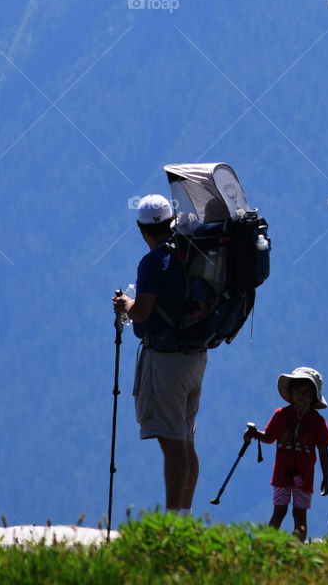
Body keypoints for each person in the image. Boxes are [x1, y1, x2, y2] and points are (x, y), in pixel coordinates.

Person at [113, 193, 207, 516]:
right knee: (186, 439)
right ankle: (186, 514)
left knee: (171, 443)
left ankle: (173, 522)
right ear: (170, 222)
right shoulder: (190, 253)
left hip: (166, 360)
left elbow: (142, 312)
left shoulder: (153, 261)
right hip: (196, 355)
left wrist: (125, 303)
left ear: (142, 229)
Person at [244, 366, 328, 541]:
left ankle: (296, 551)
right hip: (282, 475)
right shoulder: (281, 415)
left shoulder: (317, 422)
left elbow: (324, 450)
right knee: (280, 511)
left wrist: (326, 478)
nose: (302, 396)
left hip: (305, 477)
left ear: (313, 397)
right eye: (299, 391)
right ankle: (266, 547)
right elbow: (269, 437)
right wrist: (255, 434)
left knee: (299, 515)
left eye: (307, 392)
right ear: (291, 393)